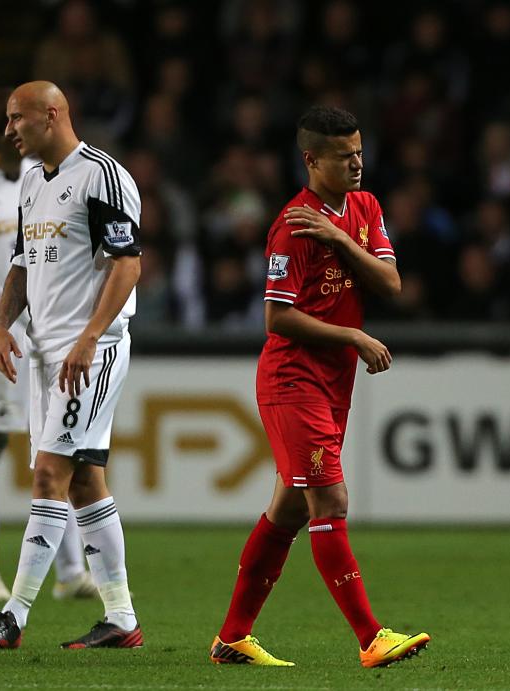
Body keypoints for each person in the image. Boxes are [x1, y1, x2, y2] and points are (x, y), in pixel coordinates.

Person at [208, 105, 430, 667]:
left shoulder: (365, 207)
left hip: (332, 382)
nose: (357, 162)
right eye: (343, 155)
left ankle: (233, 636)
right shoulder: (292, 225)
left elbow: (391, 282)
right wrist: (353, 333)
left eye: (359, 151)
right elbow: (276, 319)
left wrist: (341, 238)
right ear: (312, 160)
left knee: (288, 509)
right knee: (329, 498)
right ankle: (370, 637)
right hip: (293, 378)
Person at [0, 81, 142, 650]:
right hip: (47, 354)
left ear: (52, 114)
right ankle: (121, 618)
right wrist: (0, 326)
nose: (9, 130)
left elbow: (126, 265)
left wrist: (90, 336)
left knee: (49, 474)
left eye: (16, 118)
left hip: (88, 353)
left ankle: (13, 616)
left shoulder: (101, 176)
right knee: (85, 483)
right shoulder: (29, 183)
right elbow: (20, 262)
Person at [0, 88, 98, 602]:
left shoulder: (46, 180)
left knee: (61, 449)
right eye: (9, 124)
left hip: (50, 333)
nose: (16, 132)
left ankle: (71, 572)